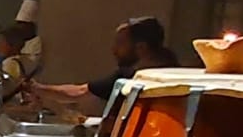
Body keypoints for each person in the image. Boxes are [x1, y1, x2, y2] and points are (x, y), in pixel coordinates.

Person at [47, 15, 178, 106]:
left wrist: (38, 88)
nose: (114, 50)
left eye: (120, 43)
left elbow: (78, 93)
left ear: (141, 47)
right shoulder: (176, 74)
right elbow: (80, 92)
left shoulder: (131, 79)